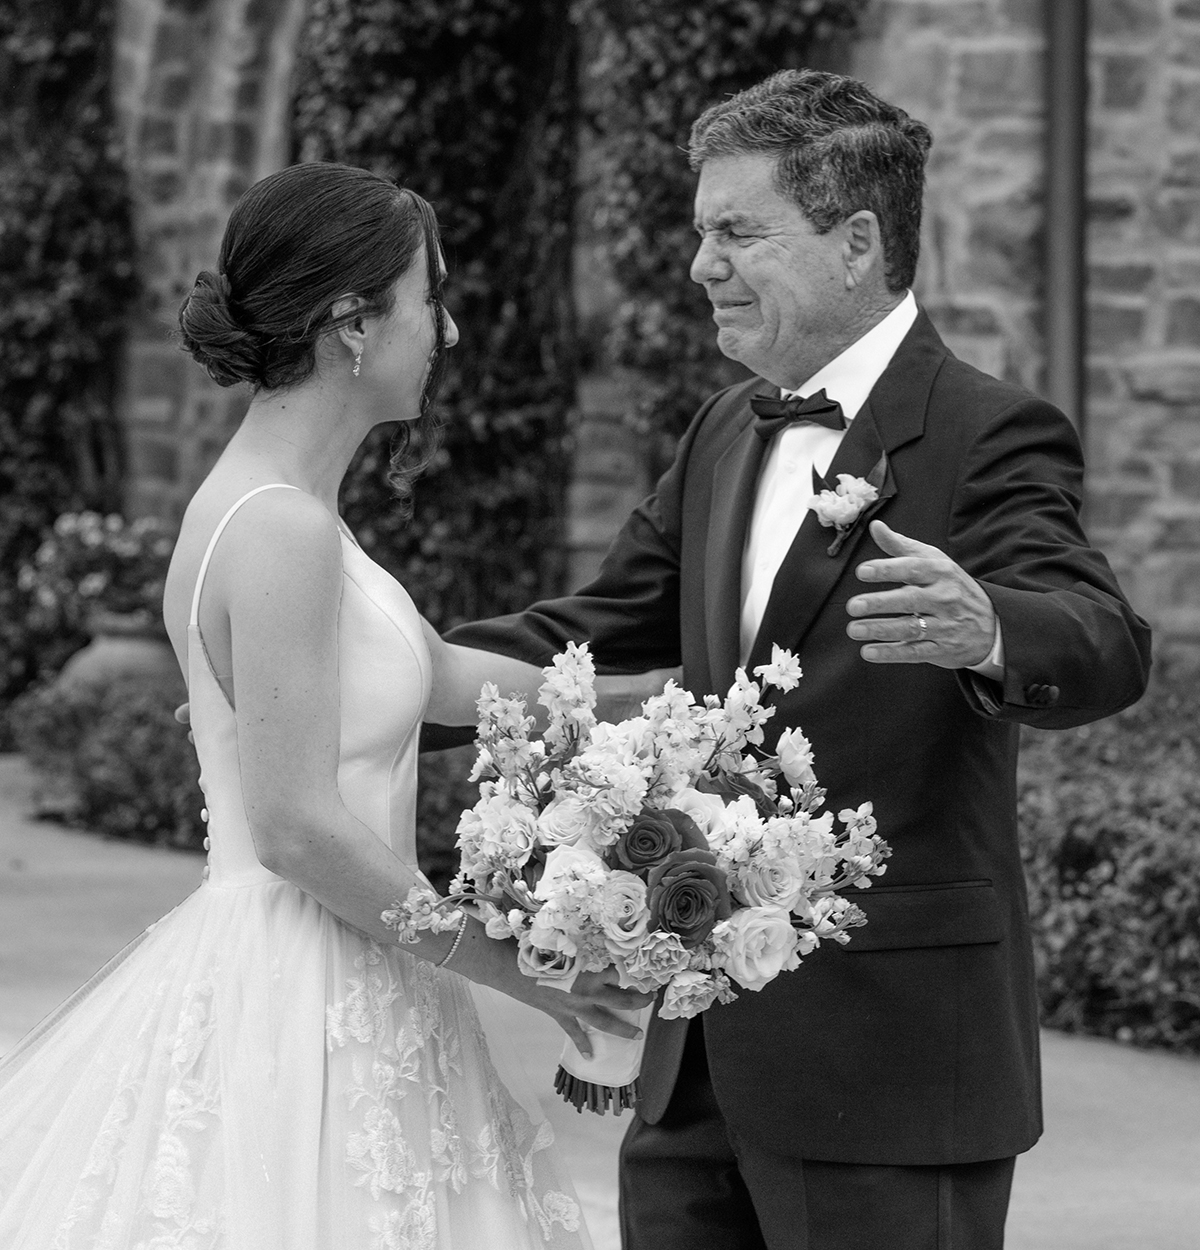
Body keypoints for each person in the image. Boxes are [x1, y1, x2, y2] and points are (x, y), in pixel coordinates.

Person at [436, 71, 1153, 1249]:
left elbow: (1105, 638)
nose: (700, 265)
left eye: (737, 232)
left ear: (857, 243)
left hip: (894, 1060)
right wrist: (368, 675)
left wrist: (989, 625)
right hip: (695, 1066)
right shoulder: (728, 427)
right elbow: (592, 630)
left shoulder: (987, 431)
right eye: (701, 232)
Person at [0, 161, 653, 1249]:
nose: (447, 330)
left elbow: (439, 676)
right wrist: (525, 974)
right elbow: (297, 826)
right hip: (305, 989)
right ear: (353, 323)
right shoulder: (278, 527)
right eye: (430, 298)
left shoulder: (290, 509)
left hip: (364, 959)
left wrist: (660, 699)